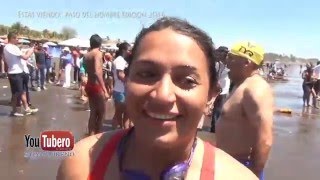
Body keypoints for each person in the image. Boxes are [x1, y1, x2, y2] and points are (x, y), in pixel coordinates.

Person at [57, 17, 258, 180]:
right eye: (147, 74)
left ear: (211, 96)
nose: (163, 95)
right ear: (126, 81)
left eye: (187, 80)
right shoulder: (81, 164)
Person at [216, 41, 274, 179]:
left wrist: (252, 174)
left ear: (247, 62)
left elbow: (265, 139)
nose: (227, 62)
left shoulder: (255, 89)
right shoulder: (242, 85)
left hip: (242, 167)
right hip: (229, 164)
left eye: (231, 57)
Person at [3, 32, 37, 116]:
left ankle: (25, 108)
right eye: (16, 38)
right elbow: (25, 57)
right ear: (12, 39)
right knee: (17, 93)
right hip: (15, 72)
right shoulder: (9, 47)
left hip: (19, 72)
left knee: (22, 92)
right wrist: (31, 51)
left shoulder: (13, 47)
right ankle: (16, 110)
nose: (18, 40)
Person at [84, 34, 110, 135]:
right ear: (100, 43)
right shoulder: (98, 54)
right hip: (97, 86)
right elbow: (97, 72)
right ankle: (98, 135)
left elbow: (89, 69)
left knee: (93, 112)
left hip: (89, 84)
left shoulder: (87, 55)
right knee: (102, 113)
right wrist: (105, 90)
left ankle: (90, 134)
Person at [210, 46, 230, 133]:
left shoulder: (229, 64)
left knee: (219, 110)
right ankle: (214, 129)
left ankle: (216, 129)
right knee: (215, 110)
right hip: (214, 89)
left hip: (224, 90)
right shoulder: (215, 63)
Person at [112, 42, 131, 129]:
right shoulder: (119, 60)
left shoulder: (122, 60)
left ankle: (124, 133)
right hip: (120, 91)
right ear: (124, 50)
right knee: (118, 114)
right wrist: (131, 83)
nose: (130, 52)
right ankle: (114, 133)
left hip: (123, 90)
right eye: (129, 50)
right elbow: (120, 75)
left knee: (127, 115)